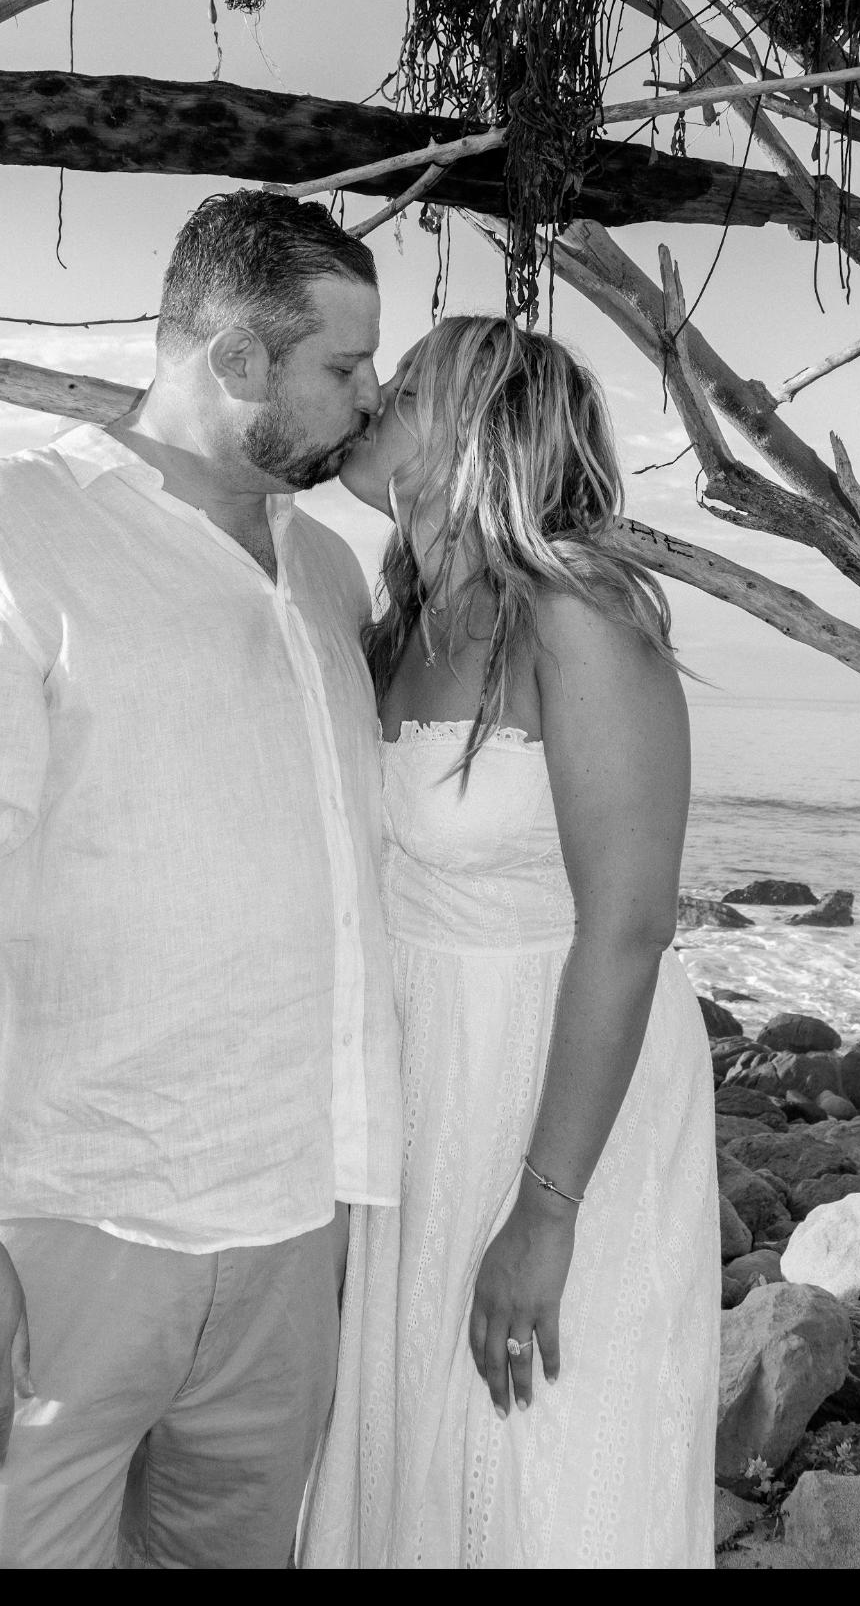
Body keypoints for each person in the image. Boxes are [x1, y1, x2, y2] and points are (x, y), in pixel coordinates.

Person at [0, 190, 402, 1570]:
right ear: (236, 358)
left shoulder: (329, 570)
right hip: (70, 1224)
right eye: (344, 365)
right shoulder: (22, 531)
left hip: (293, 1221)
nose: (372, 396)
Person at [299, 315, 720, 1570]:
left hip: (561, 1097)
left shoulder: (576, 617)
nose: (370, 398)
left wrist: (544, 1212)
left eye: (404, 387)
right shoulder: (394, 626)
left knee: (545, 1468)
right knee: (412, 1459)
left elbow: (629, 926)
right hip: (424, 1086)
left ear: (477, 432)